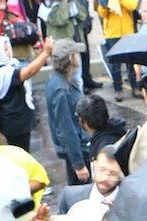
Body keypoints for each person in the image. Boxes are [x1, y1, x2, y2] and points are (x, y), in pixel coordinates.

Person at [0, 34, 52, 152]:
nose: (8, 52)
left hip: (12, 121)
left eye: (8, 48)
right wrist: (46, 53)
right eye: (5, 50)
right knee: (21, 153)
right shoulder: (4, 73)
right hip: (15, 123)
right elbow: (29, 72)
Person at [45, 38, 88, 186]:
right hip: (77, 149)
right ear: (70, 57)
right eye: (76, 53)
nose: (78, 57)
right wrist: (79, 164)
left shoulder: (60, 80)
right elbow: (66, 129)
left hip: (76, 146)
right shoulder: (62, 90)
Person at [56, 146, 123, 213]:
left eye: (113, 173)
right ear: (94, 165)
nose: (105, 178)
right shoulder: (69, 196)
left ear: (120, 175)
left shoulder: (130, 203)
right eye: (102, 170)